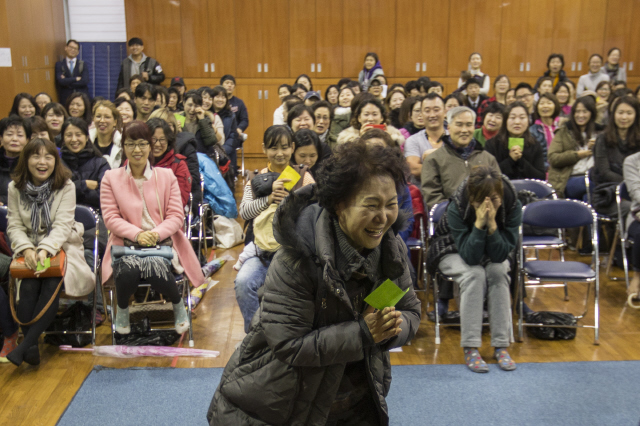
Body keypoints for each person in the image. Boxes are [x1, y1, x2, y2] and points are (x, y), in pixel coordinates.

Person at [208, 139, 420, 425]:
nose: (383, 218)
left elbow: (411, 311)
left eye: (391, 204)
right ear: (339, 205)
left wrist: (391, 328)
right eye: (371, 205)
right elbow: (288, 345)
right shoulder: (297, 257)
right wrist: (363, 334)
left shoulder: (390, 251)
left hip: (358, 397)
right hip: (283, 398)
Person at [100, 121, 204, 335]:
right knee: (128, 267)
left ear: (150, 146)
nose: (137, 150)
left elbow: (176, 216)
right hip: (125, 243)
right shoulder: (111, 178)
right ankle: (122, 310)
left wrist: (154, 234)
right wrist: (138, 235)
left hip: (161, 242)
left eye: (141, 144)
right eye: (130, 144)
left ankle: (177, 306)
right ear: (124, 147)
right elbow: (110, 218)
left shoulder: (166, 176)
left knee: (152, 263)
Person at [6, 138, 94, 366]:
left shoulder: (66, 185)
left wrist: (45, 249)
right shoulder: (15, 188)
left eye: (48, 157)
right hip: (28, 248)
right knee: (28, 287)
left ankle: (25, 346)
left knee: (51, 283)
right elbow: (14, 225)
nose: (42, 162)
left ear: (56, 161)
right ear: (26, 160)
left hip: (62, 246)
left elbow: (63, 225)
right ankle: (32, 345)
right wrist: (26, 249)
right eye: (36, 156)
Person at [427, 166, 520, 373]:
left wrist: (493, 226)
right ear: (471, 198)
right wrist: (479, 225)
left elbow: (500, 255)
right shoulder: (457, 205)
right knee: (474, 274)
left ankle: (501, 346)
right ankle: (470, 347)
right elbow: (469, 256)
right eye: (480, 201)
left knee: (498, 271)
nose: (488, 206)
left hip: (492, 249)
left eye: (494, 200)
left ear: (501, 195)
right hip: (450, 248)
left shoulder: (512, 203)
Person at [235, 125, 315, 332]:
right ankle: (255, 338)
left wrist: (291, 202)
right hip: (261, 252)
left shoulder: (304, 176)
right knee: (243, 283)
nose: (279, 153)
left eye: (285, 147)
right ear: (264, 149)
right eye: (273, 148)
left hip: (292, 254)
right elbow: (244, 213)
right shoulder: (255, 179)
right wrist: (268, 199)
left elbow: (315, 212)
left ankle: (292, 336)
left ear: (293, 148)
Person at [421, 106, 500, 210]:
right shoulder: (434, 160)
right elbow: (433, 197)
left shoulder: (488, 158)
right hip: (450, 219)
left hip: (486, 216)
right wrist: (455, 215)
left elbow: (498, 190)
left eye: (469, 125)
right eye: (459, 125)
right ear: (448, 127)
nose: (464, 130)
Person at [592, 96, 640, 217]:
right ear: (613, 115)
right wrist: (629, 184)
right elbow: (604, 172)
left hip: (636, 193)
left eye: (629, 113)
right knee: (632, 209)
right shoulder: (602, 139)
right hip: (609, 195)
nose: (624, 117)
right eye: (620, 112)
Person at [548, 96, 598, 198]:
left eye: (585, 112)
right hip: (569, 178)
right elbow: (553, 158)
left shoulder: (600, 133)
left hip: (593, 177)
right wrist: (578, 155)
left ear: (592, 113)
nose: (580, 115)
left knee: (588, 196)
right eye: (577, 112)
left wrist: (598, 147)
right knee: (591, 185)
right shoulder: (563, 132)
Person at [150, 108, 202, 206]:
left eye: (168, 125)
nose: (162, 128)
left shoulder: (180, 161)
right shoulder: (139, 159)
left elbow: (192, 181)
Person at [59, 117, 110, 211]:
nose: (74, 139)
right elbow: (56, 195)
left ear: (87, 137)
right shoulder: (57, 164)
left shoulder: (101, 163)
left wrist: (74, 189)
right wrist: (84, 184)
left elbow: (104, 197)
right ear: (63, 138)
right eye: (69, 135)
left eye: (78, 135)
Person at [485, 102, 546, 180]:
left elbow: (541, 177)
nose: (517, 122)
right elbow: (489, 176)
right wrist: (511, 160)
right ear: (505, 121)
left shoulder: (535, 145)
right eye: (512, 118)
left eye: (522, 117)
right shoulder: (492, 144)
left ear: (528, 121)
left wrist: (521, 160)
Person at [146, 118, 192, 207]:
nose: (157, 144)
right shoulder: (134, 162)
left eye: (162, 139)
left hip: (168, 214)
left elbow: (180, 200)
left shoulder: (178, 165)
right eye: (153, 139)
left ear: (168, 141)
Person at [405, 93, 447, 179]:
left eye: (436, 110)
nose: (432, 115)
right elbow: (413, 169)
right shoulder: (413, 140)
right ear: (422, 114)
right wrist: (447, 168)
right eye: (427, 111)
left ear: (445, 112)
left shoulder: (454, 138)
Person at [336, 96, 404, 146]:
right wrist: (360, 140)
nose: (370, 119)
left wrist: (387, 139)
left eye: (375, 114)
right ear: (359, 118)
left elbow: (397, 158)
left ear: (382, 118)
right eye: (366, 114)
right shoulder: (347, 138)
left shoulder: (394, 135)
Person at [179, 91, 224, 157]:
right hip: (184, 159)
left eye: (196, 106)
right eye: (190, 105)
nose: (192, 109)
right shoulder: (177, 120)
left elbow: (211, 141)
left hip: (204, 159)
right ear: (183, 103)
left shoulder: (205, 119)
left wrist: (202, 120)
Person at [0, 116, 31, 205]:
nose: (14, 139)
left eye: (20, 135)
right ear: (1, 139)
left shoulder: (32, 163)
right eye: (9, 134)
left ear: (27, 140)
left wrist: (3, 200)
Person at [210, 85, 239, 175]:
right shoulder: (207, 115)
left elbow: (233, 136)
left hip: (227, 153)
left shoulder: (231, 116)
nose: (220, 100)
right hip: (210, 153)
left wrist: (223, 150)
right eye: (217, 96)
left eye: (223, 97)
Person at [529, 93, 562, 167]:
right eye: (542, 103)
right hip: (543, 171)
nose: (545, 106)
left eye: (549, 103)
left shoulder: (562, 127)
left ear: (555, 106)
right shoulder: (532, 131)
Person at [55, 39, 89, 105]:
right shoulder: (59, 64)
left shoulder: (83, 64)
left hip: (81, 97)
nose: (73, 50)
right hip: (65, 98)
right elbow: (61, 81)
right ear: (66, 48)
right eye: (71, 47)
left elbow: (84, 81)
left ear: (78, 52)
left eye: (75, 48)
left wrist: (67, 81)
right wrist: (75, 79)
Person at [90, 100, 123, 169]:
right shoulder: (86, 142)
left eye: (107, 117)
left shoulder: (122, 144)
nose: (102, 120)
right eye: (98, 116)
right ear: (93, 119)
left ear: (115, 122)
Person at [221, 75, 249, 142]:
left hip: (234, 135)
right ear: (221, 86)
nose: (230, 85)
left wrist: (239, 128)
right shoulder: (218, 102)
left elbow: (244, 120)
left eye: (232, 83)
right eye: (227, 83)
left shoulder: (239, 102)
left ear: (234, 87)